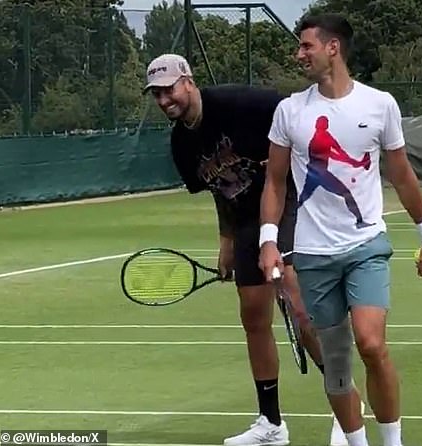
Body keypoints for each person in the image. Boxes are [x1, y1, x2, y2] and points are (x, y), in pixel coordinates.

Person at [142, 53, 350, 446]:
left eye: (168, 89)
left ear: (188, 81)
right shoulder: (181, 144)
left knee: (301, 309)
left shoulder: (240, 103)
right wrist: (226, 243)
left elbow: (296, 113)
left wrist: (291, 159)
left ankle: (345, 409)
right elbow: (218, 191)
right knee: (254, 318)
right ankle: (271, 424)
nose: (164, 100)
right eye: (156, 94)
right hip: (246, 224)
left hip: (289, 205)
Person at [257, 14, 422, 446]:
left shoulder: (380, 104)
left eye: (306, 46)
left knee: (371, 344)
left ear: (332, 47)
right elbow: (275, 181)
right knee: (337, 362)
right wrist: (269, 242)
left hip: (366, 247)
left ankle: (392, 442)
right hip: (312, 255)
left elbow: (401, 173)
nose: (299, 54)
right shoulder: (290, 111)